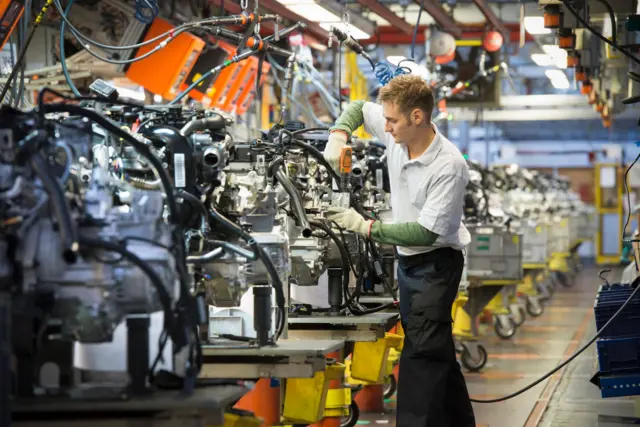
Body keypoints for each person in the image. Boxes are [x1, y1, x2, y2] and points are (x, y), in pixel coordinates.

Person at [324, 75, 475, 427]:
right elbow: (360, 108)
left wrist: (365, 226)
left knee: (421, 355)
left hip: (435, 265)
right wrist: (339, 133)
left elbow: (424, 232)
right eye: (386, 119)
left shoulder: (449, 166)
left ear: (417, 117)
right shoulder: (398, 134)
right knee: (435, 349)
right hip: (409, 263)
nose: (386, 127)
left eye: (393, 121)